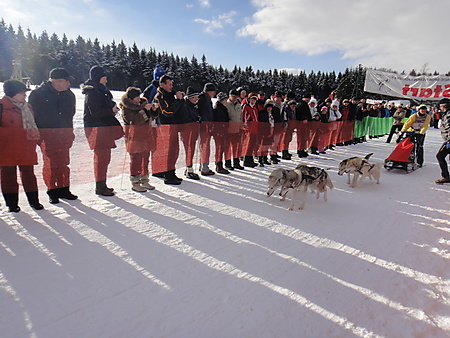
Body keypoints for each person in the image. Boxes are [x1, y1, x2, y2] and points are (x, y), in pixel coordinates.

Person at [28, 68, 77, 204]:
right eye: (67, 80)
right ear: (57, 81)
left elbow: (70, 115)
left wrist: (68, 132)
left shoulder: (69, 95)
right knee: (51, 163)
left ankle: (64, 189)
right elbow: (33, 116)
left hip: (64, 134)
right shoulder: (37, 94)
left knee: (64, 163)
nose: (69, 83)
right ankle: (52, 190)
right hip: (47, 135)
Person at [0, 80, 43, 212]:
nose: (25, 95)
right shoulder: (2, 107)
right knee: (8, 177)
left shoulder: (27, 107)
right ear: (13, 94)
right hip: (7, 149)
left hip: (26, 148)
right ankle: (12, 204)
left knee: (29, 175)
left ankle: (34, 201)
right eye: (22, 92)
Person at [82, 65, 124, 196]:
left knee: (105, 158)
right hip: (97, 128)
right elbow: (95, 111)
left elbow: (105, 104)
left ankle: (102, 184)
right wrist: (110, 110)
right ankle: (100, 187)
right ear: (98, 78)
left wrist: (112, 106)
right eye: (104, 78)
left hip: (103, 128)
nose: (106, 80)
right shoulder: (93, 91)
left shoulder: (101, 90)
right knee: (101, 158)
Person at [119, 87, 158, 192]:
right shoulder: (126, 108)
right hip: (134, 137)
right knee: (136, 159)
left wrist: (153, 111)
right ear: (130, 99)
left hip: (146, 135)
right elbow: (136, 120)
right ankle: (135, 181)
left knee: (145, 158)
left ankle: (144, 179)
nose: (138, 100)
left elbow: (149, 117)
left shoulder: (142, 104)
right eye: (136, 99)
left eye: (139, 97)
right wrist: (145, 110)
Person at [153, 74, 184, 185]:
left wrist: (179, 99)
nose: (171, 86)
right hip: (165, 127)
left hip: (173, 126)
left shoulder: (170, 95)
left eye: (172, 84)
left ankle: (170, 172)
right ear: (162, 84)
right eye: (169, 84)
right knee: (168, 152)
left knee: (174, 151)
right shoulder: (159, 97)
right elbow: (167, 112)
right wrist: (178, 101)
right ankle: (168, 175)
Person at [179, 87, 201, 180]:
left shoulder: (193, 106)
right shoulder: (185, 106)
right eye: (193, 98)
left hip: (193, 131)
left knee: (191, 149)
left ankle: (189, 168)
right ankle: (189, 169)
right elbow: (185, 119)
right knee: (189, 149)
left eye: (196, 97)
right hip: (187, 132)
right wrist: (195, 120)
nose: (195, 99)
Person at [197, 83, 217, 175]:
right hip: (204, 126)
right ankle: (204, 167)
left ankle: (204, 166)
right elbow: (202, 113)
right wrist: (205, 123)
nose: (214, 93)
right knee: (205, 147)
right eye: (213, 91)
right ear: (208, 91)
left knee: (206, 147)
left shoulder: (207, 99)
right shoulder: (202, 99)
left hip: (207, 125)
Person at [225, 89, 244, 170]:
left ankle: (236, 163)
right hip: (229, 130)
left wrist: (241, 126)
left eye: (236, 96)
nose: (234, 98)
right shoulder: (226, 105)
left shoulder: (238, 105)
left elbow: (240, 116)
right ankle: (228, 163)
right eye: (233, 96)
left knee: (237, 147)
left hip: (237, 130)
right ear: (229, 96)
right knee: (228, 148)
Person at [213, 92, 231, 174]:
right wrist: (219, 131)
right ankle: (218, 165)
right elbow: (218, 121)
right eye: (225, 100)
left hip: (223, 131)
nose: (226, 101)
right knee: (219, 148)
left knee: (222, 148)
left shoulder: (223, 108)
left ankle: (220, 165)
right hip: (219, 132)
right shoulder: (218, 108)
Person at [435, 99, 450, 183]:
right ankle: (446, 176)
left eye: (441, 106)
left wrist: (449, 141)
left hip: (449, 140)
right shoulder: (446, 114)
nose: (440, 108)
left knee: (440, 156)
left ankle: (446, 176)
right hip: (447, 139)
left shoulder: (448, 115)